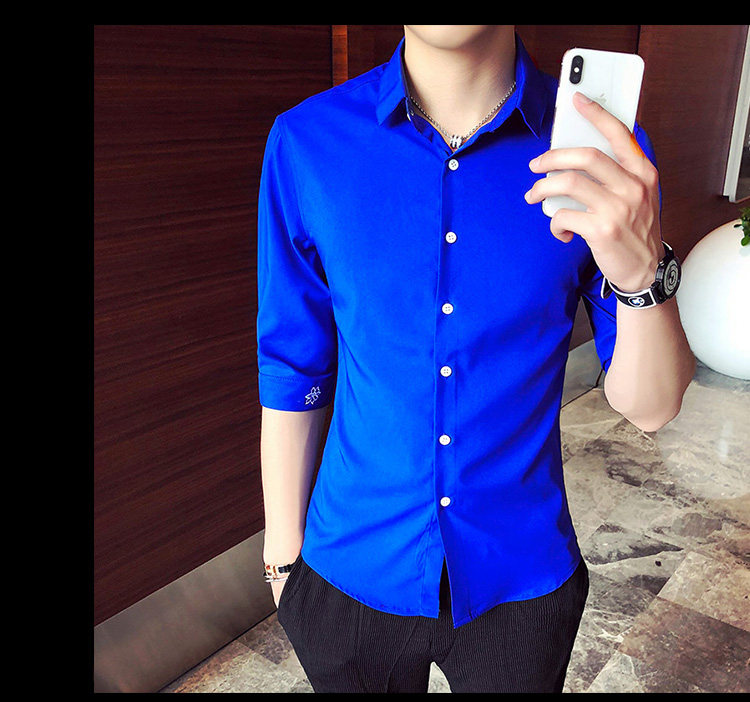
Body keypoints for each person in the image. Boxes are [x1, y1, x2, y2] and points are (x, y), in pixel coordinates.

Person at [256, 25, 695, 693]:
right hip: (347, 571)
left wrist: (642, 275)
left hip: (521, 580)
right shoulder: (307, 141)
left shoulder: (603, 154)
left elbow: (652, 407)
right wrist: (282, 556)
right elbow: (294, 365)